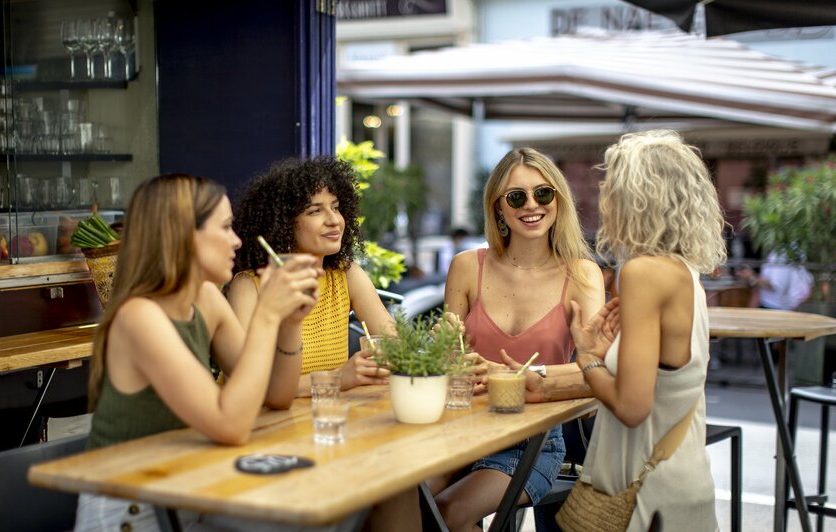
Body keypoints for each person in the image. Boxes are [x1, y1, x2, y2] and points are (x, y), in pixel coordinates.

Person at [74, 173, 323, 531]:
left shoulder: (206, 299)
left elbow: (277, 395)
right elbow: (231, 426)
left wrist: (289, 321)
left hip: (188, 492)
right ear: (184, 236)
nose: (236, 241)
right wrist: (266, 315)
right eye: (225, 228)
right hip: (132, 510)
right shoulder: (139, 316)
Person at [431, 147, 606, 531]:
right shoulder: (465, 266)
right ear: (498, 207)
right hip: (459, 430)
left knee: (447, 511)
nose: (532, 205)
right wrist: (440, 350)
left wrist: (509, 374)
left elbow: (593, 371)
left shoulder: (582, 274)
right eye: (516, 196)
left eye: (543, 193)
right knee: (402, 503)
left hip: (533, 441)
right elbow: (447, 362)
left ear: (558, 200)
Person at [570, 129, 726, 530]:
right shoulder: (684, 271)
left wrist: (588, 359)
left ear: (636, 196)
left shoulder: (643, 273)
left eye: (611, 189)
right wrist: (605, 354)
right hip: (677, 484)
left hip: (647, 500)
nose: (604, 201)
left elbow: (632, 407)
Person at [228, 156, 396, 396]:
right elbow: (251, 384)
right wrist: (338, 378)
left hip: (324, 420)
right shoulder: (249, 285)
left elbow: (395, 348)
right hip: (260, 425)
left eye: (336, 207)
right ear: (283, 223)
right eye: (315, 211)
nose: (334, 220)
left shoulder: (346, 275)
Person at [737, 249, 814, 311]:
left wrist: (751, 276)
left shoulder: (783, 253)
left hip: (774, 307)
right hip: (781, 306)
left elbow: (777, 285)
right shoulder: (793, 250)